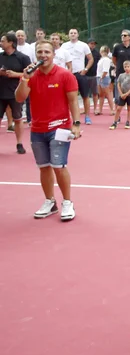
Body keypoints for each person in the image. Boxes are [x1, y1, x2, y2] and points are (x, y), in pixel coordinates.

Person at [14, 40, 81, 221]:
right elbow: (20, 98)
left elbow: (73, 101)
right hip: (37, 129)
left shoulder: (65, 75)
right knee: (44, 167)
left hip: (59, 127)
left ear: (54, 54)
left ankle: (67, 202)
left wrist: (76, 124)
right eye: (40, 52)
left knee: (59, 166)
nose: (43, 55)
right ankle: (50, 202)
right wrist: (25, 78)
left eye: (47, 52)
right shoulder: (31, 76)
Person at [0, 32, 32, 154]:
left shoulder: (23, 57)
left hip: (16, 93)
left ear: (11, 43)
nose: (1, 43)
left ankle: (19, 143)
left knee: (18, 118)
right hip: (1, 92)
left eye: (3, 41)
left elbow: (31, 73)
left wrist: (15, 74)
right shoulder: (0, 56)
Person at [61, 28, 94, 124]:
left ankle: (87, 116)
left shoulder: (83, 45)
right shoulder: (64, 46)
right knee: (69, 97)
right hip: (68, 74)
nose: (73, 34)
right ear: (68, 35)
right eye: (71, 33)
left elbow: (90, 59)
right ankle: (69, 117)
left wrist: (85, 69)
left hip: (80, 73)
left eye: (75, 33)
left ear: (78, 35)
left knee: (85, 96)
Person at [112, 30, 130, 123]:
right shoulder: (117, 48)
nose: (123, 37)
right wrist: (120, 68)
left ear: (129, 37)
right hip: (120, 75)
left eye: (125, 35)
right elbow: (114, 60)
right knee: (118, 97)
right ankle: (118, 118)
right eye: (122, 35)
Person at [110, 60, 130, 130]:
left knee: (129, 108)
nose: (126, 68)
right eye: (125, 67)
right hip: (122, 95)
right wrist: (121, 94)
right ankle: (115, 122)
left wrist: (127, 94)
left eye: (128, 67)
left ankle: (128, 121)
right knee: (118, 108)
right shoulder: (121, 75)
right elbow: (118, 85)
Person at [95, 46, 114, 115]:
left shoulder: (106, 59)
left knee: (107, 94)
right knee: (101, 95)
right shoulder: (102, 59)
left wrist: (102, 77)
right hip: (99, 76)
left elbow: (105, 70)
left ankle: (112, 109)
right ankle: (100, 109)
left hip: (104, 77)